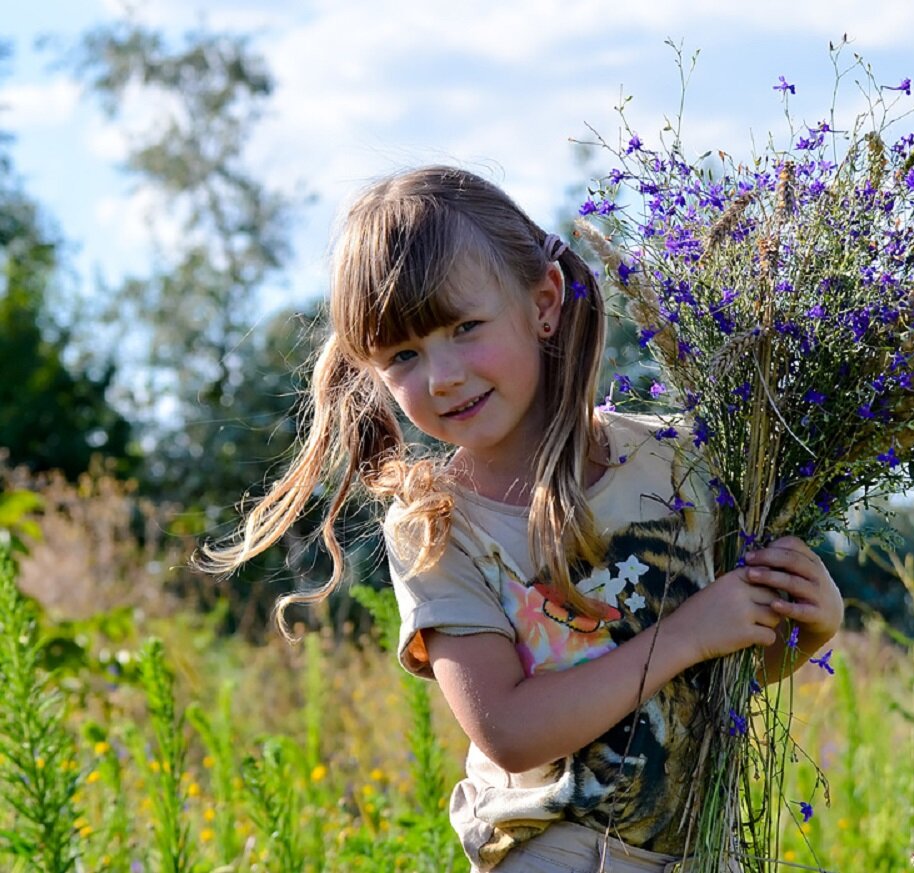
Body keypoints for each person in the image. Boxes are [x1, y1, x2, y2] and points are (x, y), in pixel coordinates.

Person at [202, 166, 843, 872]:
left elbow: (712, 682)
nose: (441, 375)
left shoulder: (677, 461)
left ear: (543, 303)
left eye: (464, 327)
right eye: (403, 356)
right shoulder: (439, 526)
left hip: (700, 849)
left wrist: (810, 621)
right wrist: (688, 633)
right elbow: (508, 729)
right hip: (556, 852)